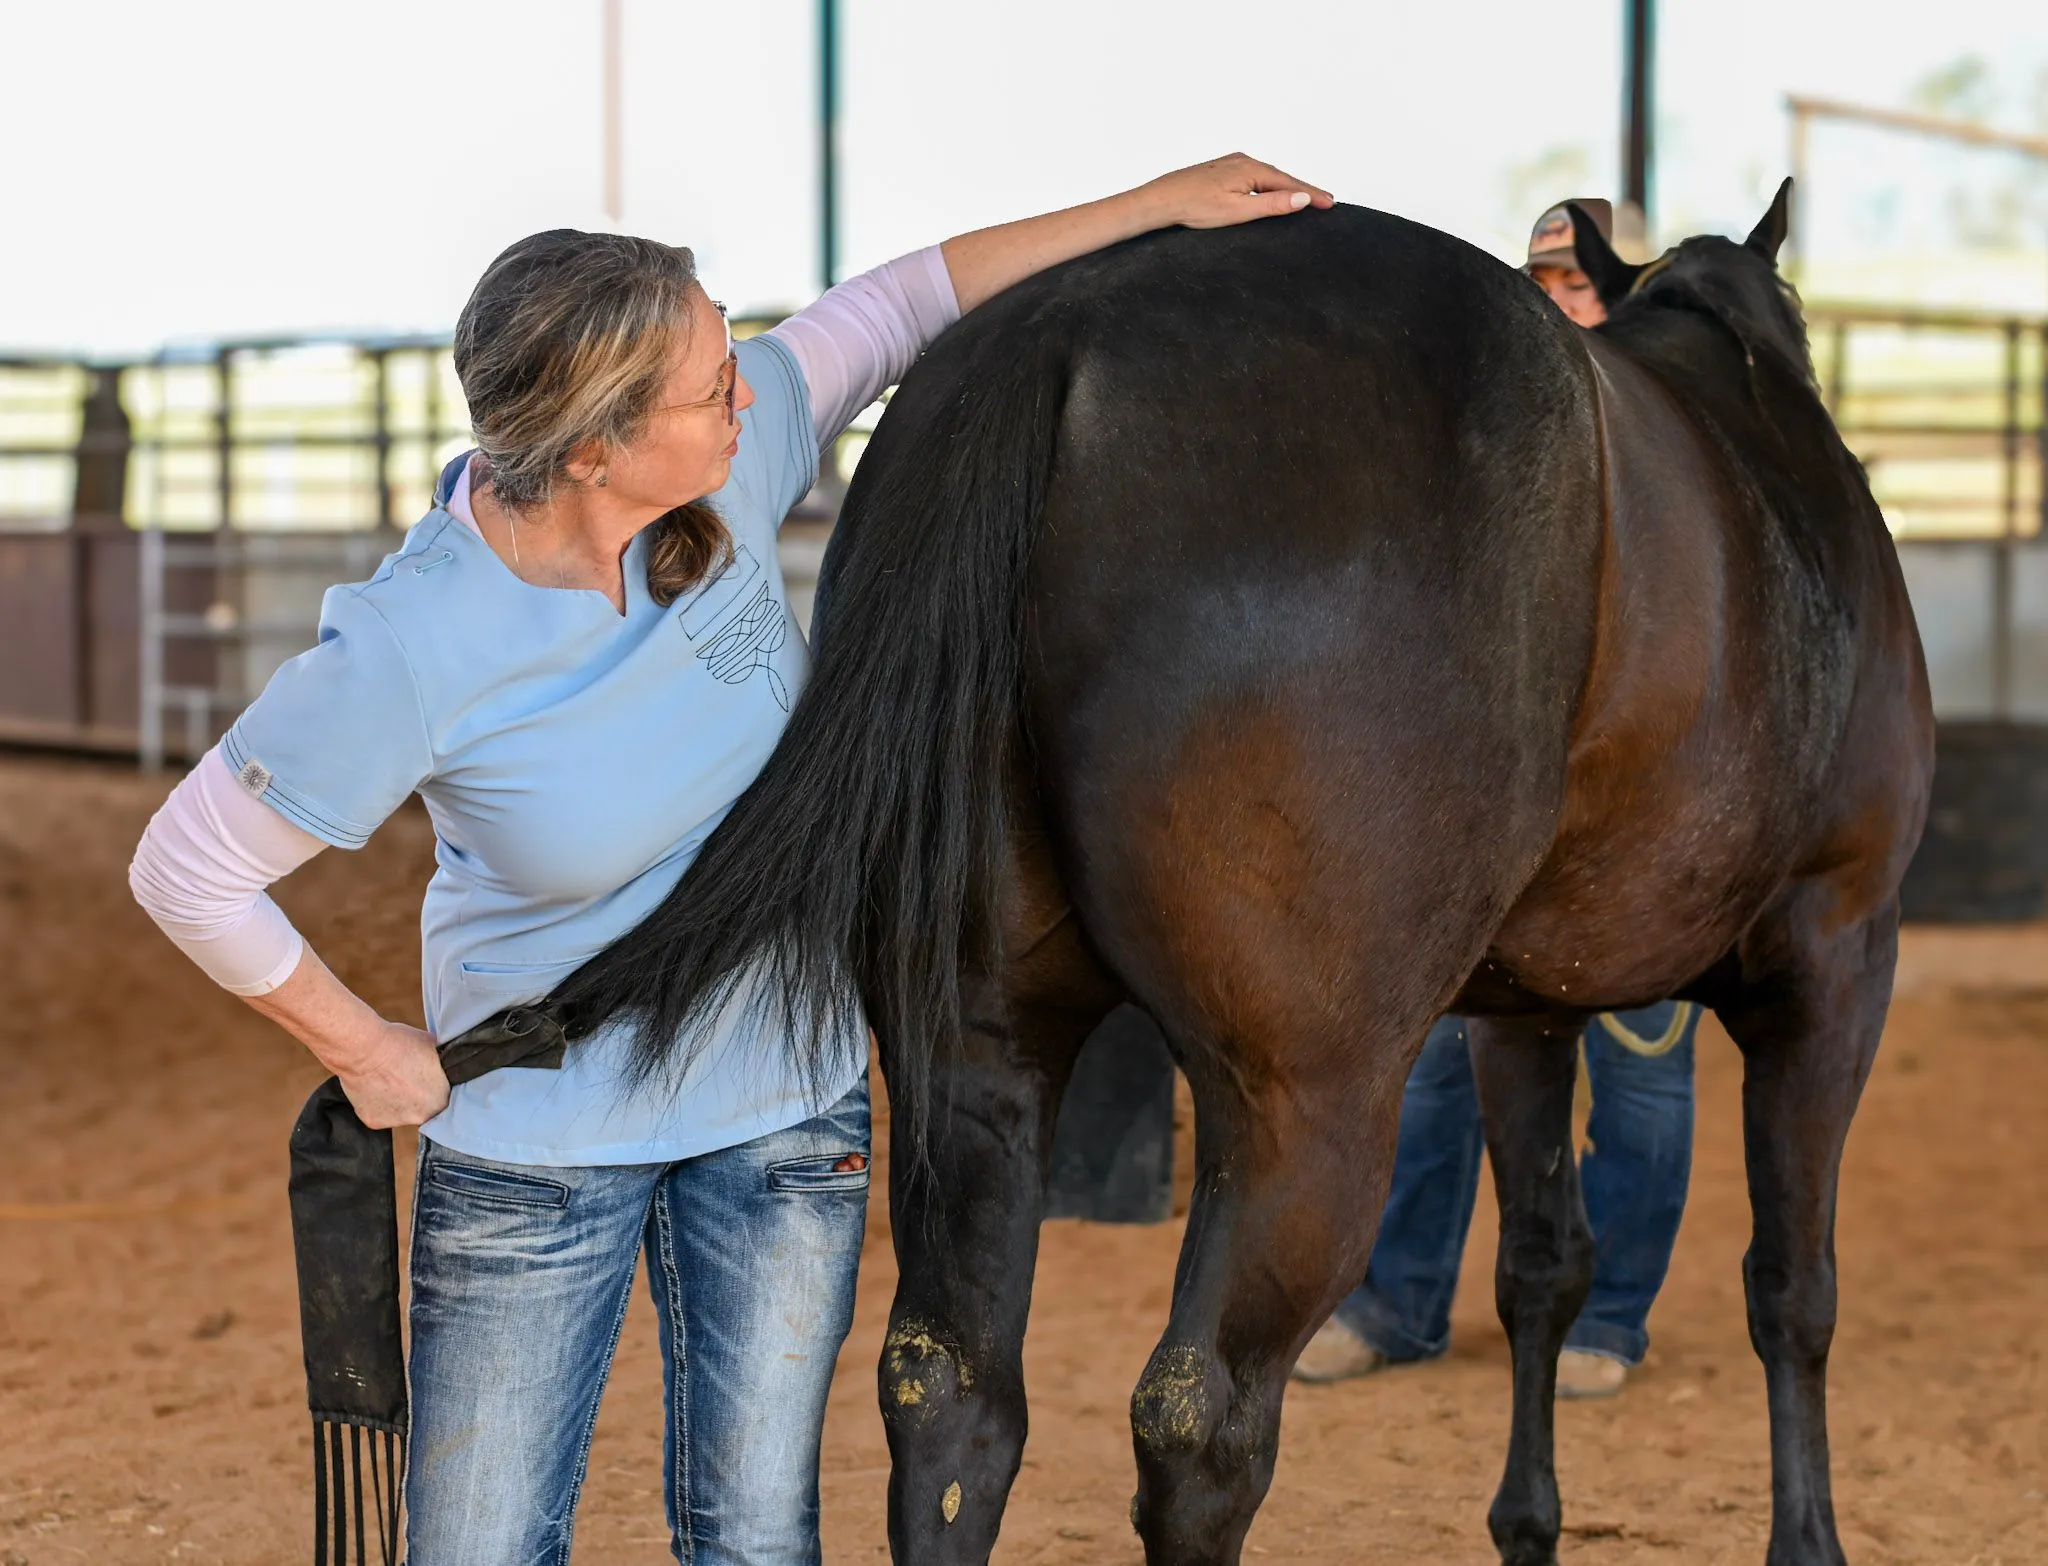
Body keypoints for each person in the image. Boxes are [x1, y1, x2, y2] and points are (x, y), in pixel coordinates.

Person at [127, 154, 1333, 1564]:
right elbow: (188, 864)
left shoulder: (727, 471)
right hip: (535, 1151)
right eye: (711, 389)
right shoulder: (410, 645)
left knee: (756, 1536)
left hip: (780, 1117)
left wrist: (1152, 202)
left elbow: (897, 305)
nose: (748, 397)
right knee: (478, 1547)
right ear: (593, 446)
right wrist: (360, 1044)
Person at [1291, 197, 1701, 1403]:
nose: (1551, 294)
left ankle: (1606, 1316)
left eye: (1573, 278)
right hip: (1487, 837)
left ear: (1626, 291)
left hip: (1632, 834)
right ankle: (1398, 1303)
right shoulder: (1487, 446)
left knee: (1636, 1079)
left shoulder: (1670, 465)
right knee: (1426, 1079)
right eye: (1535, 274)